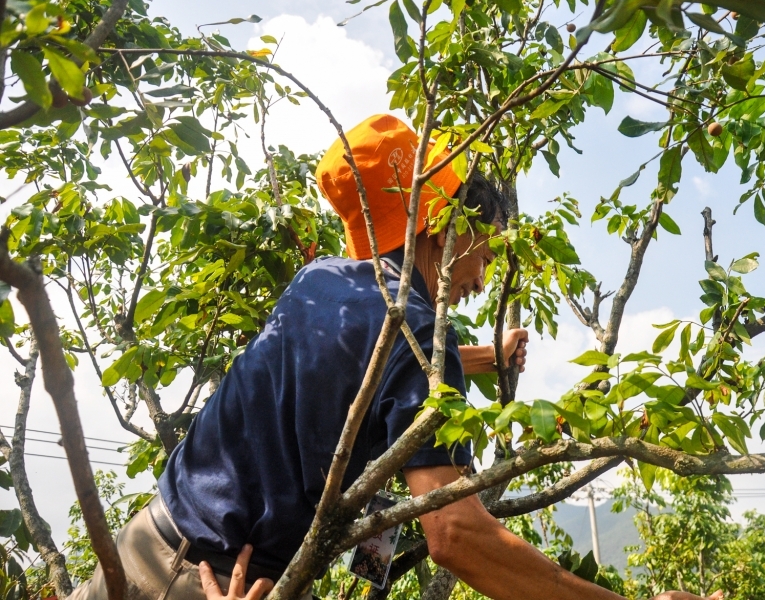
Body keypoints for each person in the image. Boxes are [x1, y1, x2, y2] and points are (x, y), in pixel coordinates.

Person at [69, 114, 718, 600]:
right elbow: (456, 537)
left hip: (138, 546)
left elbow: (361, 365)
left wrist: (482, 356)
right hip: (207, 584)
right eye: (487, 252)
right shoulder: (420, 343)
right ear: (447, 226)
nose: (484, 279)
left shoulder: (321, 281)